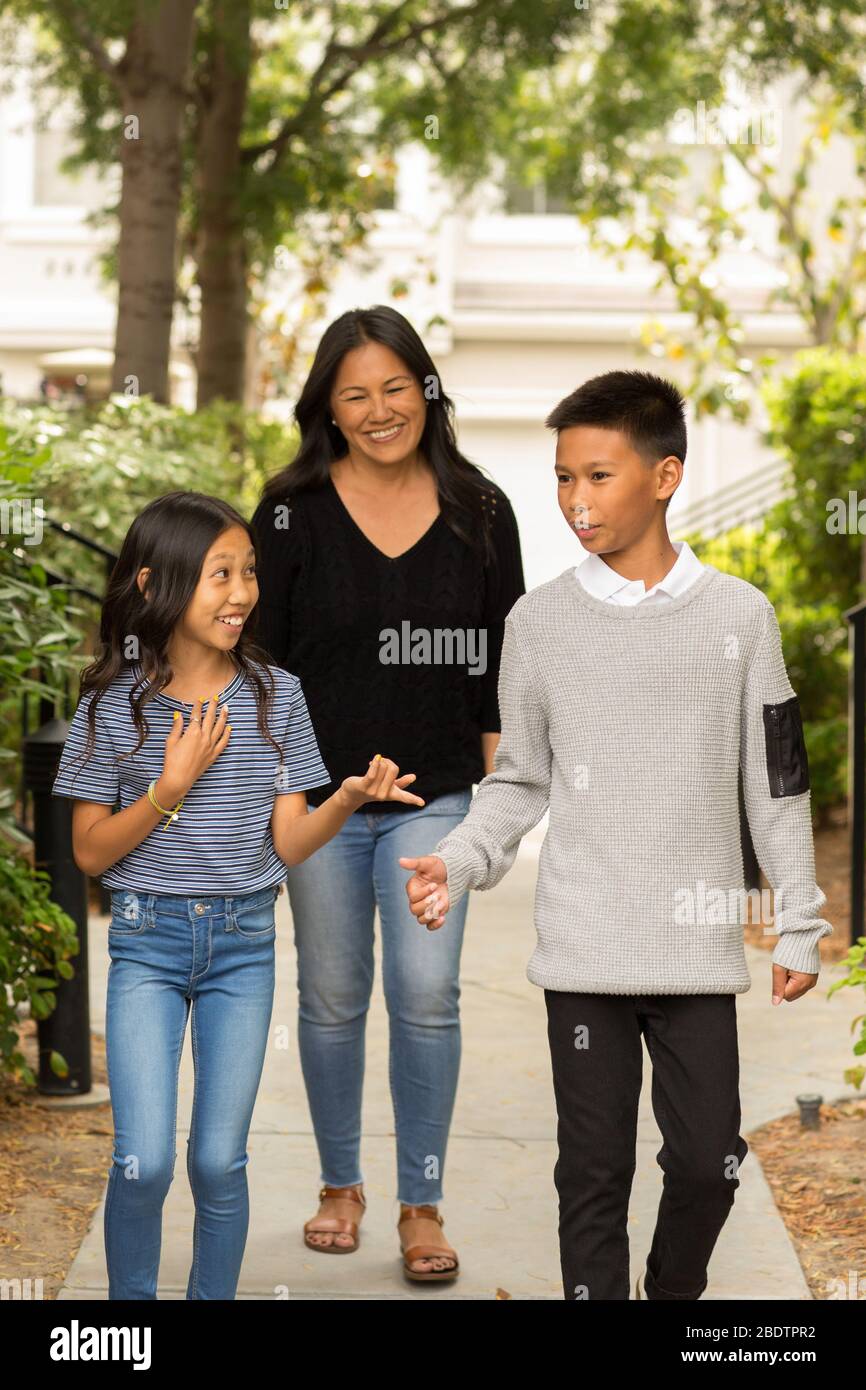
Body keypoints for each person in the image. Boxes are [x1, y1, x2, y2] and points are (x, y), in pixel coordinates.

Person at [401, 369, 833, 1300]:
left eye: (598, 476)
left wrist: (799, 921)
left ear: (665, 476)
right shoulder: (539, 622)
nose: (574, 501)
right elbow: (519, 781)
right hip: (584, 950)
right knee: (591, 1176)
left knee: (707, 1161)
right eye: (563, 478)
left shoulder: (741, 618)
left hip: (694, 954)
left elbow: (780, 782)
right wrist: (461, 858)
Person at [52, 489, 423, 1300]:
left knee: (218, 1159)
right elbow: (87, 852)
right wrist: (168, 787)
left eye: (249, 571)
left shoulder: (274, 695)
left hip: (243, 949)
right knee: (143, 1159)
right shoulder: (111, 704)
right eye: (221, 574)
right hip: (146, 945)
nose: (243, 592)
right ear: (155, 584)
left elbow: (288, 843)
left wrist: (348, 799)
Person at [250, 305, 525, 1281]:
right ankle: (339, 1185)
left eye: (394, 387)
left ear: (426, 390)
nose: (377, 410)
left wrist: (496, 810)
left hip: (438, 797)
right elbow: (260, 667)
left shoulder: (480, 509)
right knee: (327, 999)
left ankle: (420, 1199)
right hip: (319, 803)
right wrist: (275, 802)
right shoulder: (286, 512)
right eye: (353, 393)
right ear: (327, 406)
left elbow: (499, 668)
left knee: (424, 993)